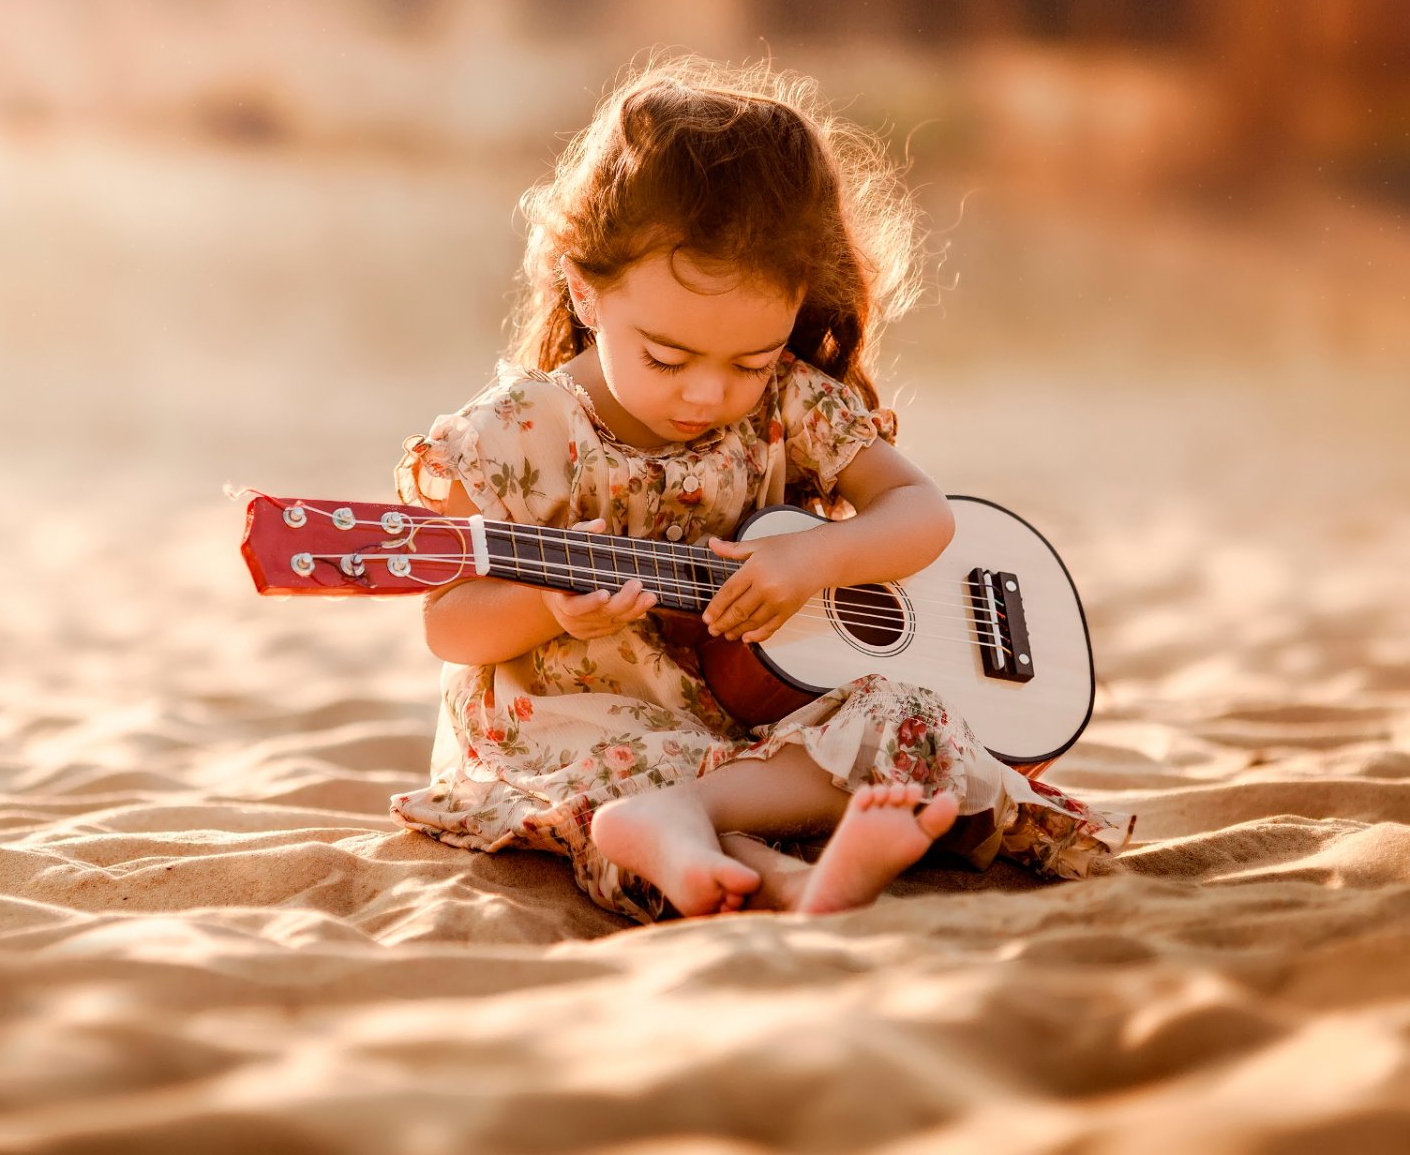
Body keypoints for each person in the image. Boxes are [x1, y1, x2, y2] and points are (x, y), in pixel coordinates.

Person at [390, 56, 1133, 923]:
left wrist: (814, 557)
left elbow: (921, 512)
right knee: (634, 766)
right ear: (586, 290)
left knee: (914, 717)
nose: (707, 394)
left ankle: (705, 834)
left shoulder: (787, 399)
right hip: (577, 720)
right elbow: (449, 618)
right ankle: (750, 860)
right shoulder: (517, 434)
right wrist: (551, 608)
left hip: (750, 732)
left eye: (746, 359)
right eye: (667, 357)